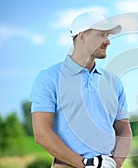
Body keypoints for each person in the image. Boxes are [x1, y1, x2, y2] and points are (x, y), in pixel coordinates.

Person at [30, 11, 132, 168]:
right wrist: (86, 165)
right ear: (82, 36)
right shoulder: (49, 78)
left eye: (108, 36)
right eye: (101, 35)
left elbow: (124, 130)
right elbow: (42, 134)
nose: (107, 42)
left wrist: (114, 164)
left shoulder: (114, 82)